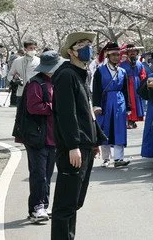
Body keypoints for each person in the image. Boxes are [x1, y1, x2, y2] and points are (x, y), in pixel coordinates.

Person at [51, 31, 106, 240]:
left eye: (88, 44)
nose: (87, 48)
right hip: (73, 147)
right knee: (65, 203)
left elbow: (86, 111)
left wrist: (95, 139)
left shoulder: (81, 74)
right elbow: (67, 114)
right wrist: (73, 145)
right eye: (81, 45)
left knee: (75, 201)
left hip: (85, 145)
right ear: (71, 52)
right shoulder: (67, 75)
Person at [20, 51, 63, 224]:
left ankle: (43, 205)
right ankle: (37, 207)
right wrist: (54, 106)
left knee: (47, 173)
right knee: (39, 173)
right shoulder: (36, 83)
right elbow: (33, 107)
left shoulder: (55, 82)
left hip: (52, 135)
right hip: (37, 136)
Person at [92, 42, 131, 167]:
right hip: (105, 102)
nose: (116, 57)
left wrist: (128, 106)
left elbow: (125, 90)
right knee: (105, 128)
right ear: (108, 56)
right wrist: (96, 105)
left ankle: (119, 158)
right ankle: (106, 158)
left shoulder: (122, 71)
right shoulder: (100, 71)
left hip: (120, 102)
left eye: (117, 55)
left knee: (119, 129)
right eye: (113, 55)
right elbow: (96, 89)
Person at [120, 44, 147, 129]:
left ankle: (134, 120)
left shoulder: (140, 64)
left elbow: (143, 74)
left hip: (137, 84)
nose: (132, 53)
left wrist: (142, 83)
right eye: (130, 51)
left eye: (134, 51)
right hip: (127, 84)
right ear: (127, 53)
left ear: (137, 53)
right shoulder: (122, 64)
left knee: (137, 101)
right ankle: (129, 120)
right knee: (129, 101)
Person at [8, 39, 41, 107]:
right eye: (31, 48)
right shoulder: (17, 61)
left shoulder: (39, 61)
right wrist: (14, 78)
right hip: (21, 93)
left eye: (34, 48)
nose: (33, 50)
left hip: (35, 93)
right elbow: (9, 76)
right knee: (20, 113)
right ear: (25, 49)